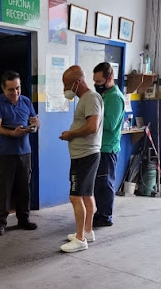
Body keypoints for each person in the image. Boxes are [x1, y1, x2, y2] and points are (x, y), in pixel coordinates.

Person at [0, 70, 40, 236]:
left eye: (17, 88)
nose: (15, 92)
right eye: (11, 89)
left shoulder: (25, 101)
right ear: (3, 89)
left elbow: (34, 121)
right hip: (5, 154)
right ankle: (1, 223)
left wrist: (35, 125)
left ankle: (23, 219)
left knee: (24, 188)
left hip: (25, 152)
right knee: (4, 189)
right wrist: (13, 133)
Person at [59, 65, 103, 252]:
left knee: (75, 196)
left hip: (85, 155)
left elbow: (92, 127)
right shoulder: (86, 99)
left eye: (67, 85)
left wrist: (71, 134)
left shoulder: (90, 98)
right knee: (86, 195)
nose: (65, 90)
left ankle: (80, 239)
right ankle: (87, 231)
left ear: (78, 82)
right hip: (85, 155)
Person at [92, 62, 125, 227]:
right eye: (95, 81)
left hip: (108, 148)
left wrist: (92, 118)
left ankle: (106, 217)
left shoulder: (115, 97)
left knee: (105, 184)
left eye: (99, 81)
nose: (96, 85)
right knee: (98, 184)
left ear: (110, 78)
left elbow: (110, 124)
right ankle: (100, 212)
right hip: (100, 146)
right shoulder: (105, 95)